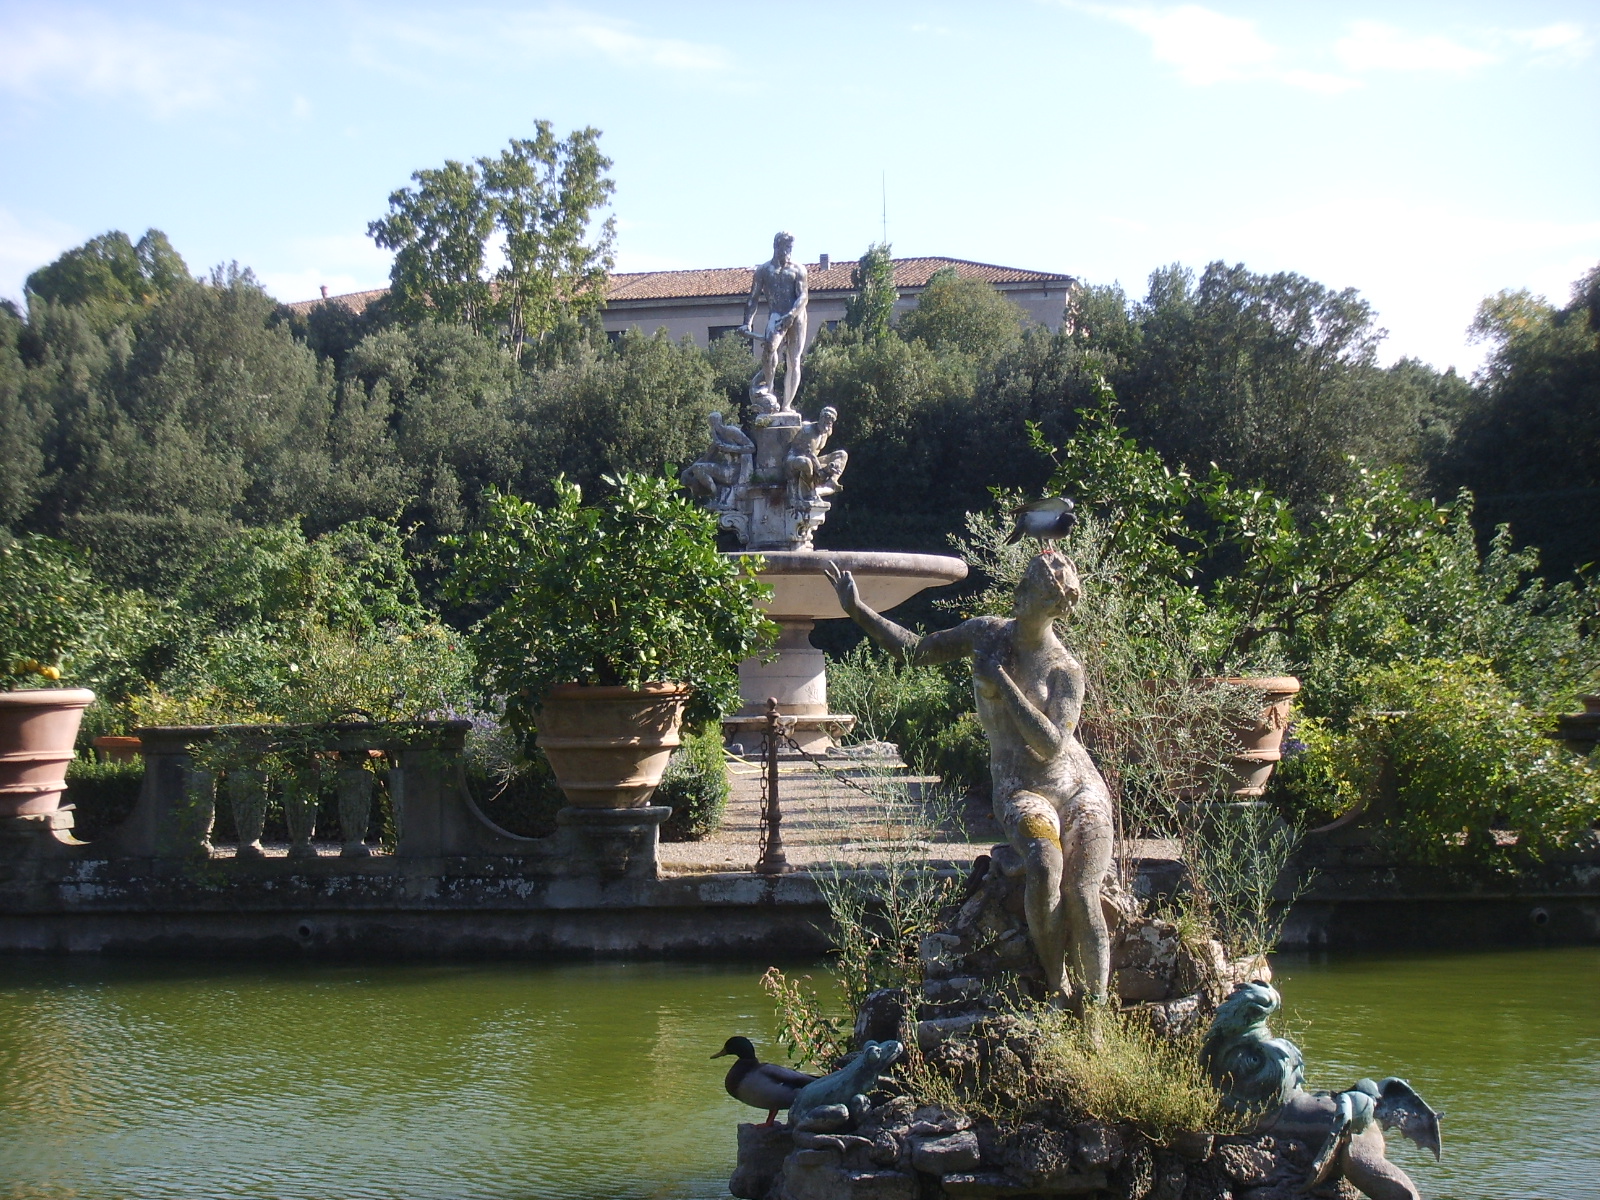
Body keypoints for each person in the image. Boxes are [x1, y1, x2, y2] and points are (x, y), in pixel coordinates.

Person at [824, 552, 1114, 1004]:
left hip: (1079, 788)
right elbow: (916, 650)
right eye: (1029, 591)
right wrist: (860, 612)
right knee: (1043, 865)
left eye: (1043, 598)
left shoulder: (1064, 670)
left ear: (1058, 607)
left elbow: (1053, 744)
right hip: (1022, 788)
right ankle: (1058, 983)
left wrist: (1001, 683)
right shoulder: (985, 634)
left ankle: (1096, 1014)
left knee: (1082, 891)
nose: (1027, 602)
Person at [738, 232, 808, 411]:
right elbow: (753, 298)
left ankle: (787, 406)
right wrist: (747, 322)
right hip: (776, 315)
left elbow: (803, 295)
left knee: (793, 360)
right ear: (776, 247)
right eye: (784, 247)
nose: (787, 251)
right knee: (769, 348)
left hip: (797, 316)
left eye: (790, 247)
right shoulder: (763, 271)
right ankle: (769, 391)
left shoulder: (798, 269)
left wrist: (792, 314)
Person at [681, 411, 754, 504]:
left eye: (713, 421)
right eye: (710, 422)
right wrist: (687, 471)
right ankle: (715, 495)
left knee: (698, 469)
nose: (712, 424)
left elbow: (751, 448)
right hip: (726, 469)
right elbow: (706, 458)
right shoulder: (717, 437)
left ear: (719, 421)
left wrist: (730, 448)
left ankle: (717, 497)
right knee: (698, 468)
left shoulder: (731, 431)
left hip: (736, 470)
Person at [785, 406, 847, 503]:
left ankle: (832, 481)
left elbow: (815, 456)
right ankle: (809, 491)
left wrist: (833, 466)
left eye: (830, 421)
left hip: (813, 459)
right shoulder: (809, 431)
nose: (828, 423)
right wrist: (820, 470)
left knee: (842, 454)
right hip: (794, 459)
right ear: (821, 418)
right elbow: (809, 454)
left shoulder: (827, 432)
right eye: (826, 419)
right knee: (806, 462)